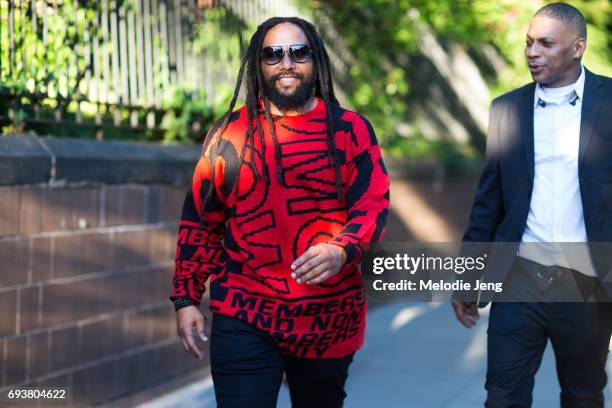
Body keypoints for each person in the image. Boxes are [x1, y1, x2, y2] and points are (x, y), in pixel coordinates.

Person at [169, 16, 389, 407]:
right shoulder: (229, 135)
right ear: (259, 65)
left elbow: (373, 205)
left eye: (297, 52)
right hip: (244, 313)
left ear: (315, 60)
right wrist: (186, 297)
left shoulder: (350, 130)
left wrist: (343, 249)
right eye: (273, 54)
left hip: (328, 317)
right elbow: (201, 222)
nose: (286, 62)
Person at [452, 3, 612, 407]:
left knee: (583, 396)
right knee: (502, 396)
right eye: (528, 42)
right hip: (517, 280)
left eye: (545, 43)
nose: (531, 52)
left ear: (577, 47)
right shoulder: (507, 109)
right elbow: (487, 204)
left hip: (587, 283)